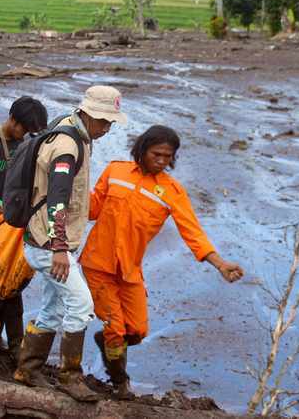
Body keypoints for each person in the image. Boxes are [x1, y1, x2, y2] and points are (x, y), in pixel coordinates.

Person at [81, 125, 245, 399]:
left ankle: (109, 342)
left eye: (168, 156)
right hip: (98, 263)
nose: (161, 160)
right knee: (116, 328)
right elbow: (92, 208)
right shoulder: (115, 171)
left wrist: (219, 263)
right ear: (142, 149)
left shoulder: (171, 191)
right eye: (156, 153)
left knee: (137, 330)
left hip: (130, 269)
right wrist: (65, 193)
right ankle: (120, 384)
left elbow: (192, 231)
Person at [12, 86, 127, 402]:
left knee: (54, 306)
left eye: (110, 123)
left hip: (45, 241)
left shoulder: (74, 131)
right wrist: (60, 248)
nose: (106, 128)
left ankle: (27, 369)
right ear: (88, 113)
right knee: (82, 305)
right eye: (104, 121)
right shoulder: (67, 146)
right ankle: (70, 377)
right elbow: (57, 199)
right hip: (48, 246)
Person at [0, 96, 48, 364]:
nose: (26, 135)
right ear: (13, 120)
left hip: (17, 224)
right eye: (23, 128)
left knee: (14, 281)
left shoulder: (27, 144)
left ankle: (15, 343)